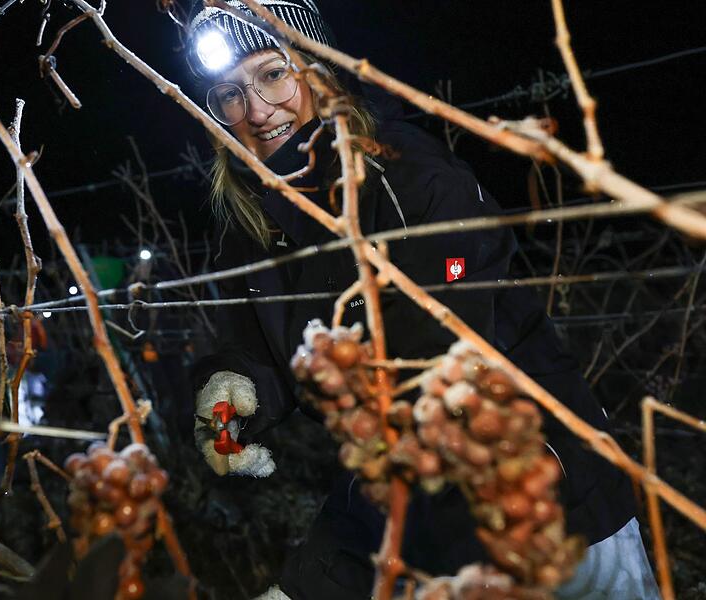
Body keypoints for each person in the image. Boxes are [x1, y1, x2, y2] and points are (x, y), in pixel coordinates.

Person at [185, 2, 659, 598]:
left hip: (552, 514)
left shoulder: (409, 180)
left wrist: (316, 582)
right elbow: (259, 343)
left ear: (320, 70)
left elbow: (415, 404)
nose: (255, 110)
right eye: (228, 94)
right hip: (428, 538)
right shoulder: (251, 223)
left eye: (273, 74)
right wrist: (233, 386)